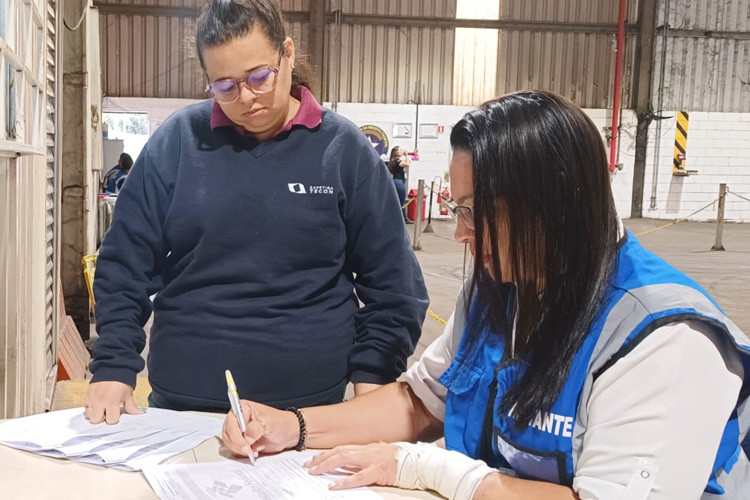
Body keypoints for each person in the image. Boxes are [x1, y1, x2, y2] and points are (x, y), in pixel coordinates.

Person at [222, 91, 750, 500]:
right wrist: (291, 426)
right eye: (458, 208)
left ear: (553, 206)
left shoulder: (662, 337)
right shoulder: (503, 286)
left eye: (475, 211)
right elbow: (423, 400)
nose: (461, 234)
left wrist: (422, 465)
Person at [85, 0, 428, 424]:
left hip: (311, 414)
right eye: (225, 87)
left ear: (287, 54)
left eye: (259, 77)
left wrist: (374, 373)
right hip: (182, 407)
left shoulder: (342, 150)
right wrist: (113, 363)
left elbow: (392, 279)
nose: (246, 98)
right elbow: (125, 262)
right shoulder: (179, 141)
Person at [388, 146, 411, 223]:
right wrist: (407, 155)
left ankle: (400, 217)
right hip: (399, 181)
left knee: (399, 200)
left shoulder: (393, 160)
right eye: (400, 150)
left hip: (397, 180)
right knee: (402, 200)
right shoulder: (397, 161)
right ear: (396, 153)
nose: (402, 151)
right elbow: (407, 164)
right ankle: (403, 218)